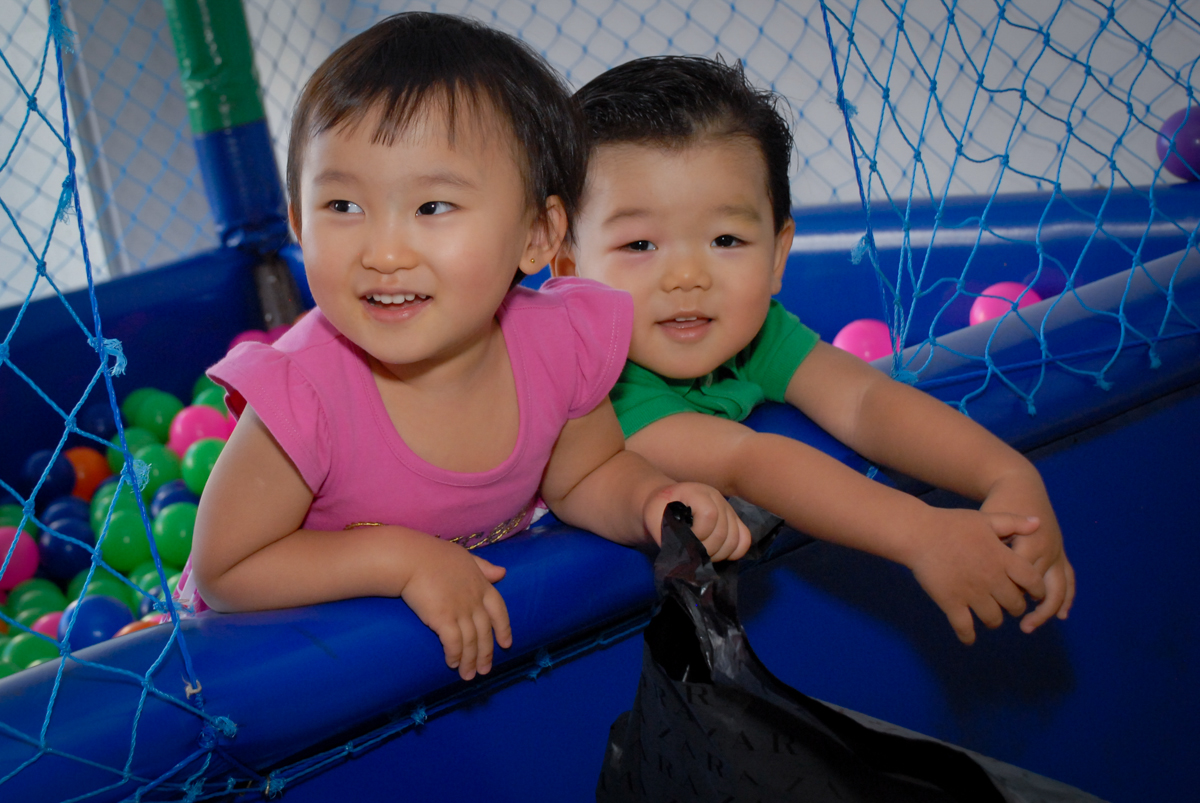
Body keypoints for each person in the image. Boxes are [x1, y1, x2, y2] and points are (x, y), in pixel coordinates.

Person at [181, 18, 750, 682]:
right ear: (299, 225)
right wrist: (404, 562)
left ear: (538, 235)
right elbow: (225, 570)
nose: (384, 252)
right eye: (342, 204)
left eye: (432, 207)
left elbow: (586, 477)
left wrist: (653, 502)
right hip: (285, 684)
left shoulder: (555, 345)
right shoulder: (305, 394)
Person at [552, 55, 1075, 645]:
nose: (686, 276)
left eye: (726, 239)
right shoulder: (588, 378)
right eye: (640, 243)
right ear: (568, 270)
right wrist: (921, 534)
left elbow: (864, 399)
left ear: (778, 255)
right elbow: (748, 462)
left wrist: (1006, 472)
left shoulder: (752, 330)